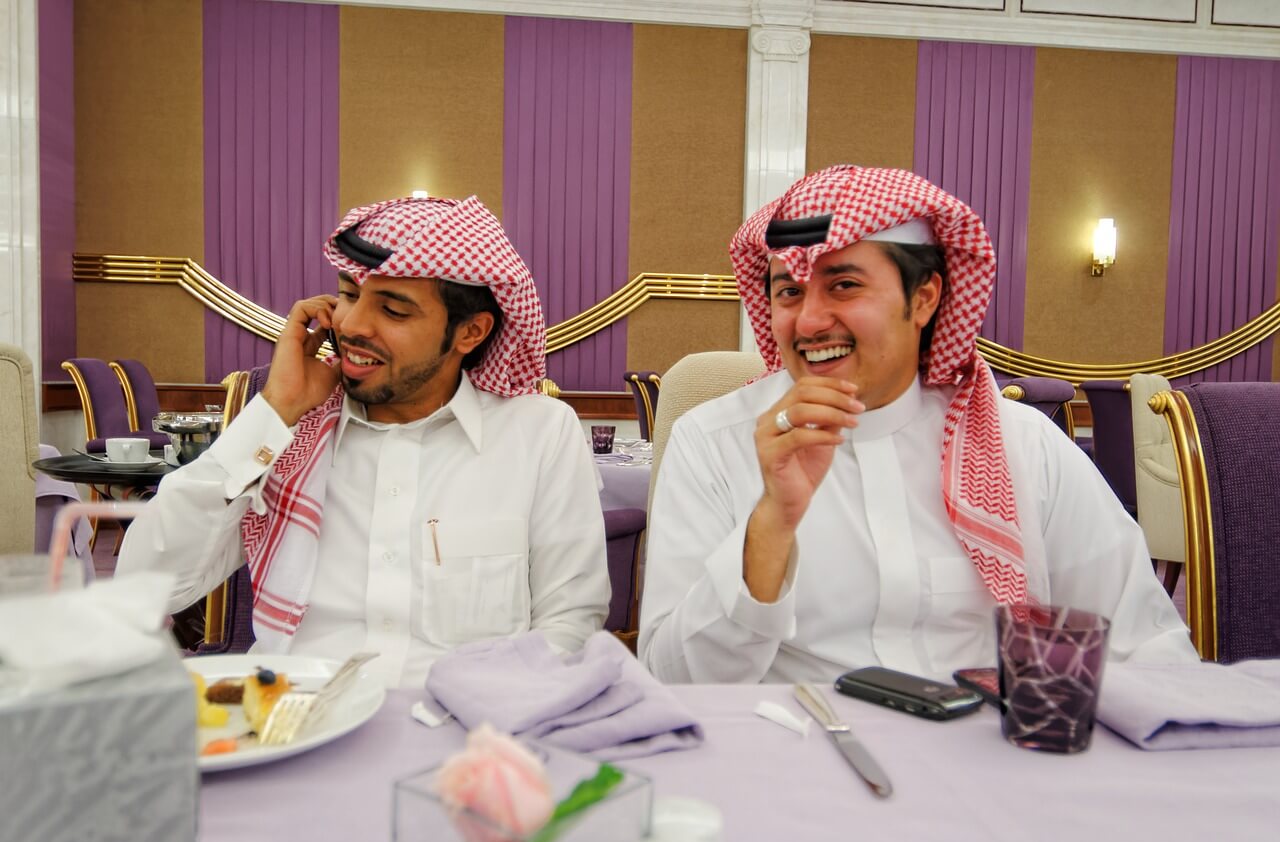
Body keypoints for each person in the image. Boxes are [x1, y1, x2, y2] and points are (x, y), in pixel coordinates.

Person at [638, 165, 1196, 684]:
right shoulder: (713, 443)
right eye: (788, 291)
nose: (808, 321)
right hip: (798, 760)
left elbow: (1146, 648)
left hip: (994, 763)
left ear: (924, 297)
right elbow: (673, 679)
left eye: (844, 285)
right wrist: (771, 525)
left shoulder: (1023, 445)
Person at [118, 196, 610, 688]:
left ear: (471, 332)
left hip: (465, 735)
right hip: (302, 730)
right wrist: (275, 411)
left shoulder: (540, 433)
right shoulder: (289, 435)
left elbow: (569, 623)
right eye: (349, 295)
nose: (350, 326)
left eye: (393, 310)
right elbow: (143, 587)